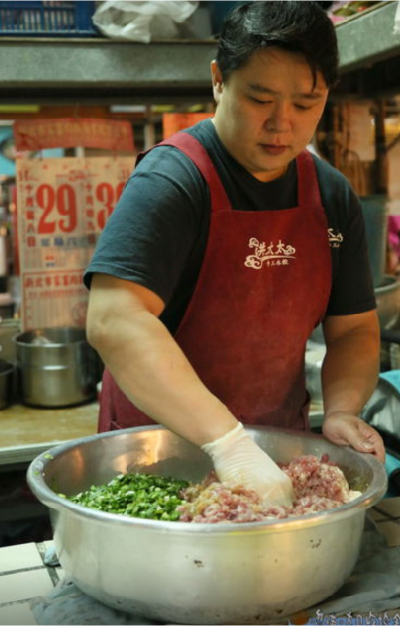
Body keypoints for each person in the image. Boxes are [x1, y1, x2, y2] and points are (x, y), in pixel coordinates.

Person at [84, 1, 385, 508]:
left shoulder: (331, 195)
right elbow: (115, 318)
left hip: (280, 455)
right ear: (219, 81)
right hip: (158, 463)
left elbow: (354, 329)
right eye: (260, 98)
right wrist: (229, 444)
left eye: (306, 103)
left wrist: (341, 409)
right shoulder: (172, 181)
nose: (281, 124)